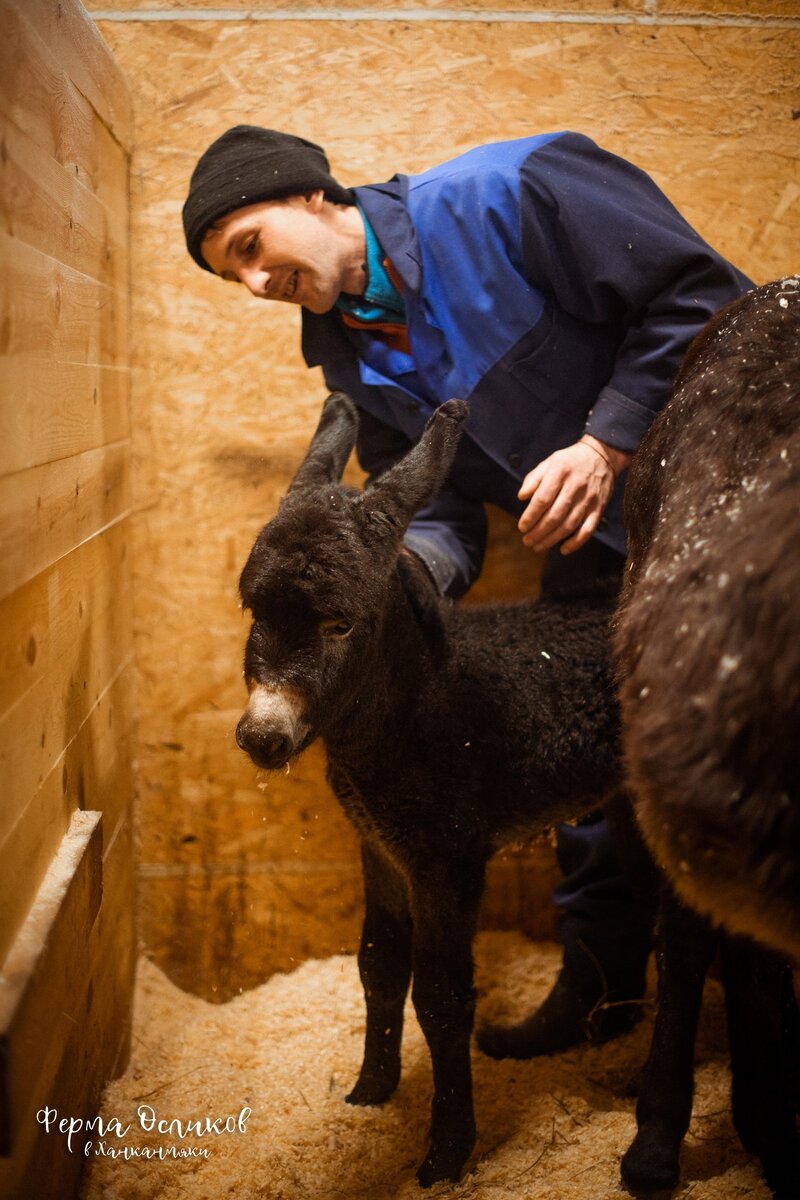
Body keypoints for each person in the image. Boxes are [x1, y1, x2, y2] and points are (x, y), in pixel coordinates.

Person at [182, 126, 752, 1055]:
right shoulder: (344, 358)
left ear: (312, 194)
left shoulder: (508, 190)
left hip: (723, 514)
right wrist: (393, 583)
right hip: (593, 551)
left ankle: (759, 1012)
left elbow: (705, 299)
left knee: (753, 771)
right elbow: (440, 508)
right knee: (587, 767)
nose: (253, 285)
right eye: (229, 277)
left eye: (250, 247)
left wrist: (606, 442)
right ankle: (606, 993)